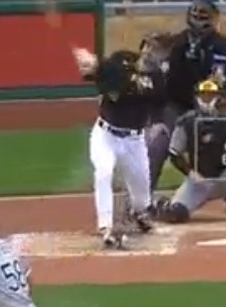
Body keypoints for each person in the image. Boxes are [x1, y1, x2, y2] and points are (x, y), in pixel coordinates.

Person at [72, 35, 174, 246]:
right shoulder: (121, 59)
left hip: (134, 140)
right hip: (105, 134)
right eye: (147, 47)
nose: (149, 52)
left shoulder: (157, 80)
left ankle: (140, 214)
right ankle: (105, 225)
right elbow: (105, 78)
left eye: (156, 50)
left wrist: (99, 68)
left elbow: (129, 91)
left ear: (162, 56)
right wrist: (92, 66)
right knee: (103, 173)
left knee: (141, 191)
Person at [155, 78, 226, 223]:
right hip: (199, 182)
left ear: (220, 98)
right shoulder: (186, 123)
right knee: (176, 214)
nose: (207, 99)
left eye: (211, 95)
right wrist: (191, 173)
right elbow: (174, 154)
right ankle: (162, 204)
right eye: (203, 95)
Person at [154, 0, 226, 190]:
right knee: (160, 144)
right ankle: (145, 198)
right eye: (196, 17)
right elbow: (168, 80)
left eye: (204, 17)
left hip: (213, 106)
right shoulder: (177, 43)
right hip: (178, 104)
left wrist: (214, 94)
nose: (199, 22)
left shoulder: (224, 46)